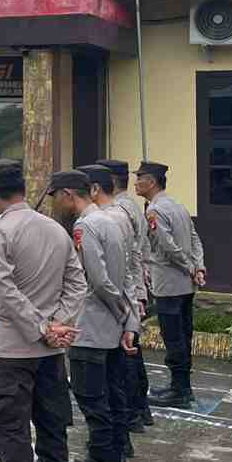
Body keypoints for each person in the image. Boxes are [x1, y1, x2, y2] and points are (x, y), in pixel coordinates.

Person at [0, 158, 86, 462]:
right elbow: (77, 282)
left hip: (14, 351)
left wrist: (42, 329)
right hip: (51, 353)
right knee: (53, 426)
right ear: (23, 187)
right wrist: (58, 326)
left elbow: (5, 291)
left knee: (11, 430)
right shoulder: (55, 229)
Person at [49, 168, 136, 462]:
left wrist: (117, 310)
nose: (57, 204)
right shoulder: (110, 220)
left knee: (94, 407)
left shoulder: (85, 226)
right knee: (112, 405)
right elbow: (126, 274)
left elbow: (97, 281)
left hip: (92, 328)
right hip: (111, 329)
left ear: (70, 194)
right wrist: (128, 317)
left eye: (57, 197)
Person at [136, 162, 205, 409]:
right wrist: (198, 266)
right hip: (185, 283)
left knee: (173, 337)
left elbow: (167, 246)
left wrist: (190, 266)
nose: (136, 183)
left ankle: (180, 390)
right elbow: (195, 239)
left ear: (151, 182)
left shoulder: (155, 210)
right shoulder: (177, 205)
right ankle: (182, 386)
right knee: (183, 335)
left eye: (140, 178)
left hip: (169, 282)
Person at [103, 159, 153, 429]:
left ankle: (134, 413)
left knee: (127, 357)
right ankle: (140, 410)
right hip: (134, 286)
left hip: (127, 288)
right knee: (133, 354)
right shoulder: (130, 206)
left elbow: (129, 256)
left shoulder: (118, 209)